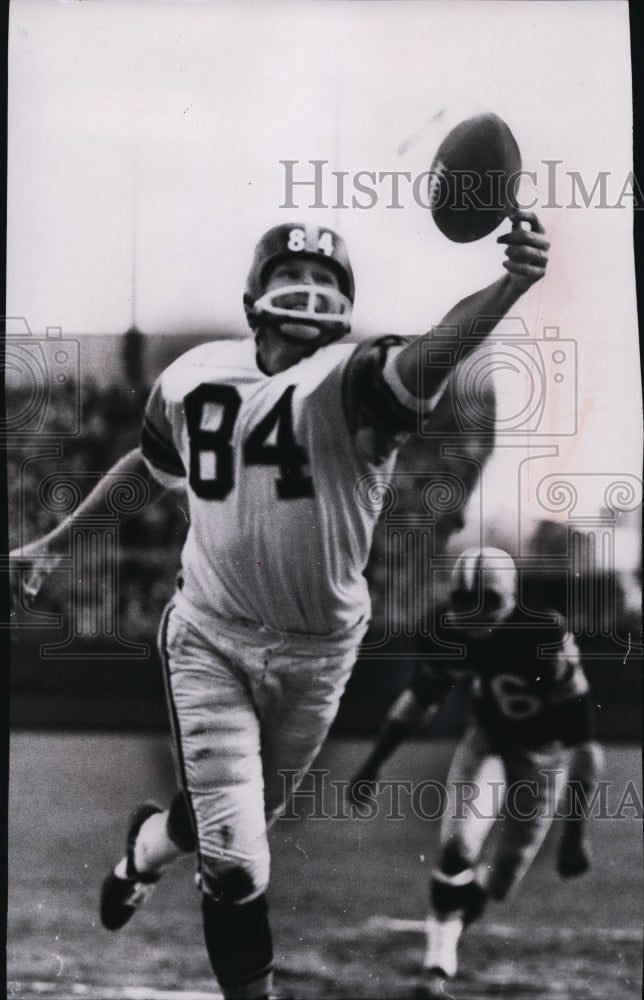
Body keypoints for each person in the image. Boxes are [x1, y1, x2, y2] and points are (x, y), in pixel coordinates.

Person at [11, 213, 549, 1000]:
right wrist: (59, 541)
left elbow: (437, 349)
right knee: (238, 864)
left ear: (347, 306)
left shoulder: (357, 379)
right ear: (253, 298)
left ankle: (146, 850)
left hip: (319, 653)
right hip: (210, 638)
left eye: (328, 282)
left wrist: (509, 283)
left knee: (227, 824)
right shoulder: (194, 375)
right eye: (292, 277)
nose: (310, 290)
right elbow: (150, 467)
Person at [349, 547, 603, 1000]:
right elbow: (420, 699)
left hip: (542, 757)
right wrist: (373, 763)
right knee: (456, 847)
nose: (472, 612)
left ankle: (453, 925)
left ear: (507, 598)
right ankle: (438, 966)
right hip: (487, 739)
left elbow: (584, 745)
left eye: (484, 600)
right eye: (465, 599)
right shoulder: (444, 628)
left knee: (499, 882)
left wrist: (574, 834)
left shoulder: (542, 634)